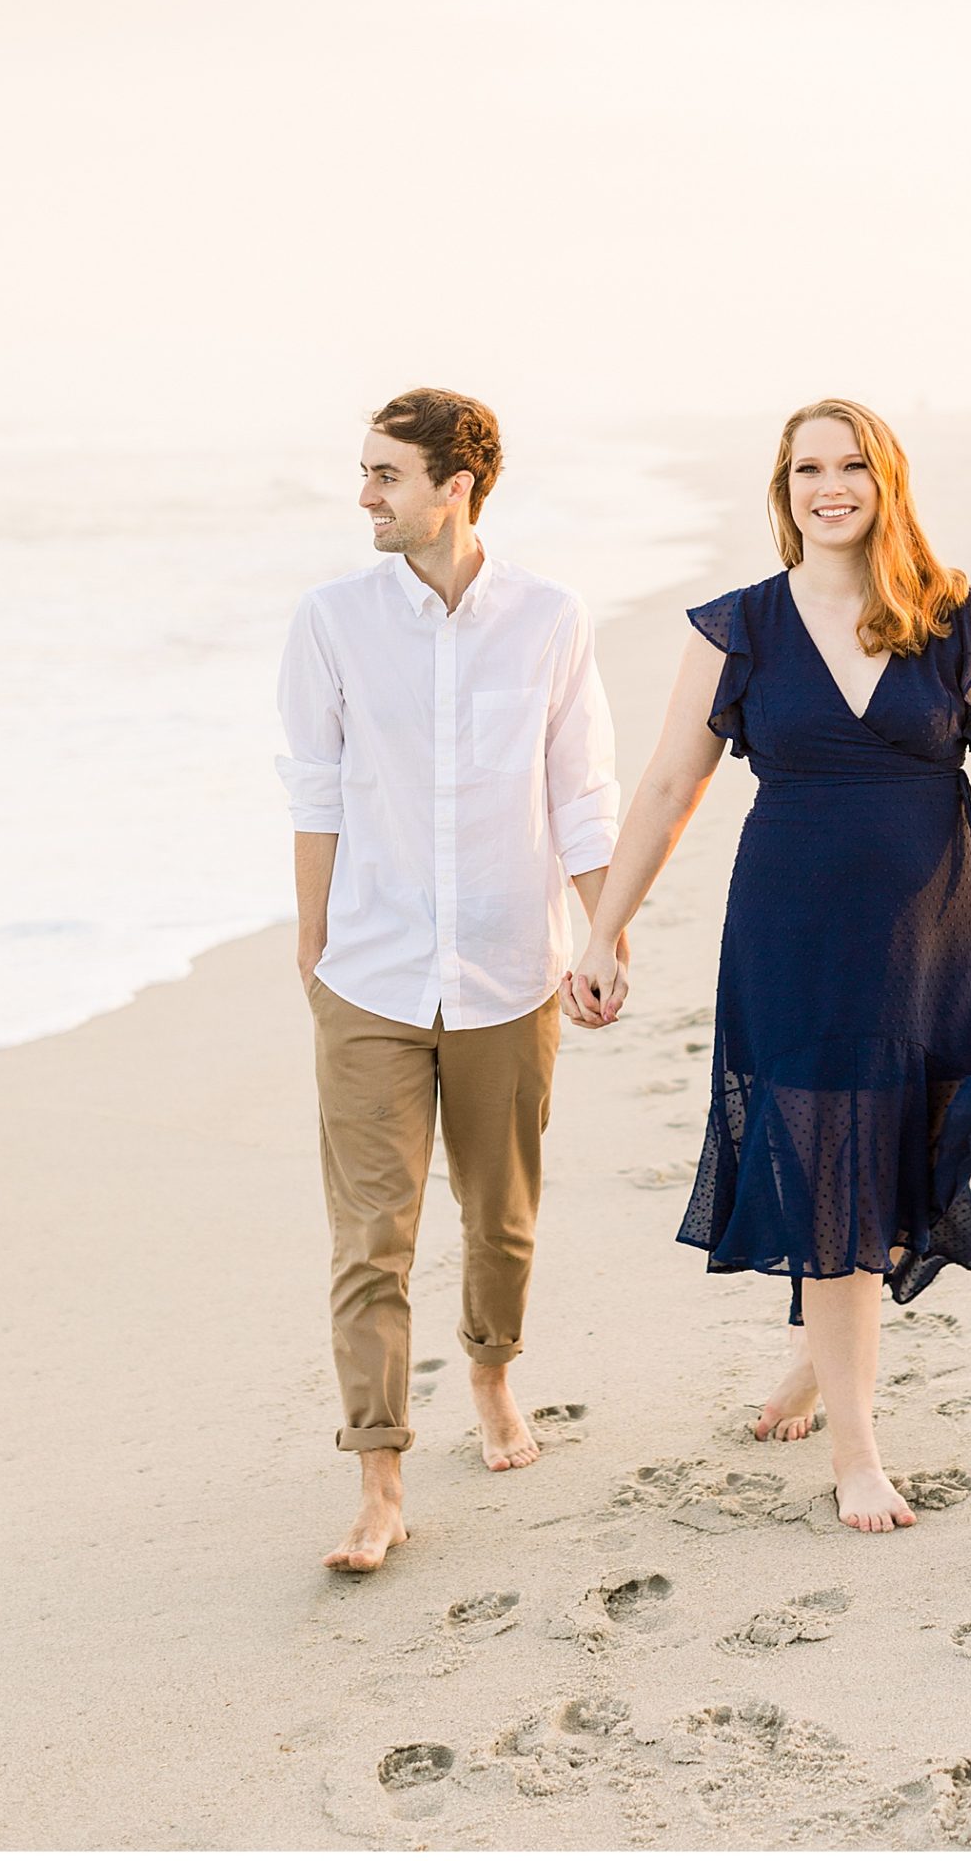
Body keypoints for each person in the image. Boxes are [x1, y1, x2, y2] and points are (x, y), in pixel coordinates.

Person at [564, 397, 971, 1534]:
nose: (830, 486)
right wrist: (605, 926)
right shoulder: (739, 628)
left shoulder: (958, 619)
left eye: (852, 464)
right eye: (808, 468)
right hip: (794, 934)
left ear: (886, 479)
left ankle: (821, 1356)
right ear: (783, 487)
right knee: (833, 1171)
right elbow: (669, 784)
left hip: (931, 930)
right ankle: (858, 1452)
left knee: (904, 1155)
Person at [277, 387, 622, 1573]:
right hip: (368, 974)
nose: (365, 494)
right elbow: (312, 785)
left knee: (503, 1219)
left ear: (455, 486)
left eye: (386, 474)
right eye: (365, 471)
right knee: (371, 1234)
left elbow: (581, 788)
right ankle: (379, 1477)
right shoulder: (330, 619)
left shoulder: (550, 618)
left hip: (511, 970)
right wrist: (314, 946)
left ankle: (490, 1371)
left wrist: (603, 932)